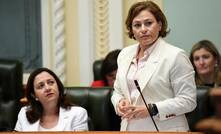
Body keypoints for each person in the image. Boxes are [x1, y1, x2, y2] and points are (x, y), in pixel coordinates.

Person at [111, 1, 196, 131]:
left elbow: (188, 101)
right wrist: (119, 102)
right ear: (132, 30)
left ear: (160, 25)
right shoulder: (125, 54)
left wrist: (152, 109)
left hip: (165, 129)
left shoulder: (175, 56)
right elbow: (117, 91)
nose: (143, 29)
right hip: (129, 128)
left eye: (149, 23)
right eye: (137, 25)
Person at [14, 68, 88, 131]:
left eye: (51, 82)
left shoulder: (77, 114)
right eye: (41, 86)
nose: (47, 88)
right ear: (34, 95)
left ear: (58, 87)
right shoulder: (24, 114)